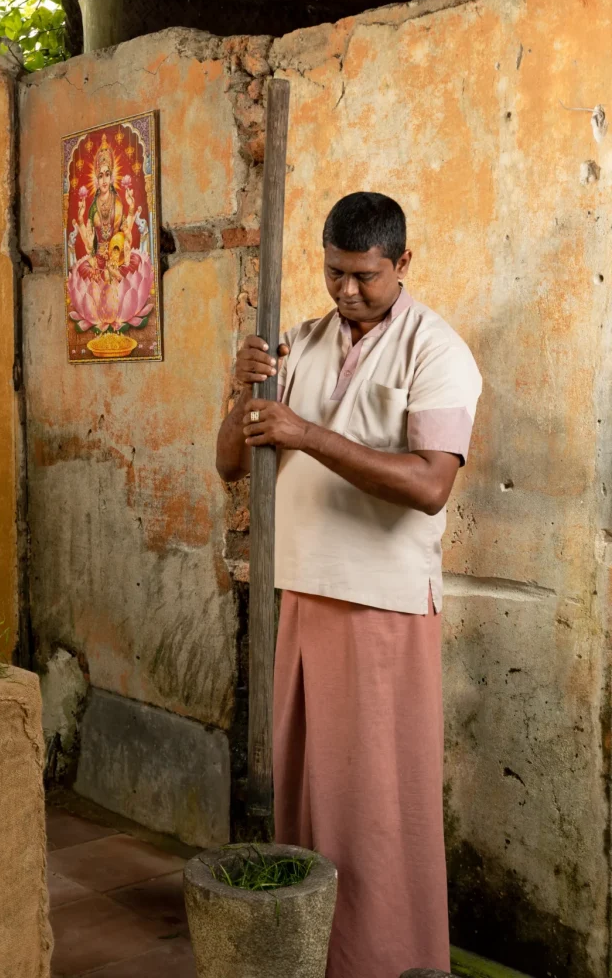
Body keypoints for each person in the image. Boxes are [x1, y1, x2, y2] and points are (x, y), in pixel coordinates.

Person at [215, 192, 481, 978]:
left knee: (373, 810)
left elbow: (431, 485)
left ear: (403, 263)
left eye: (364, 276)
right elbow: (233, 463)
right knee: (309, 800)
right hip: (300, 593)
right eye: (334, 272)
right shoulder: (297, 343)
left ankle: (386, 960)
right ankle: (312, 954)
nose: (346, 291)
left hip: (381, 604)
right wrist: (244, 395)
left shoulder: (437, 351)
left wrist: (307, 433)